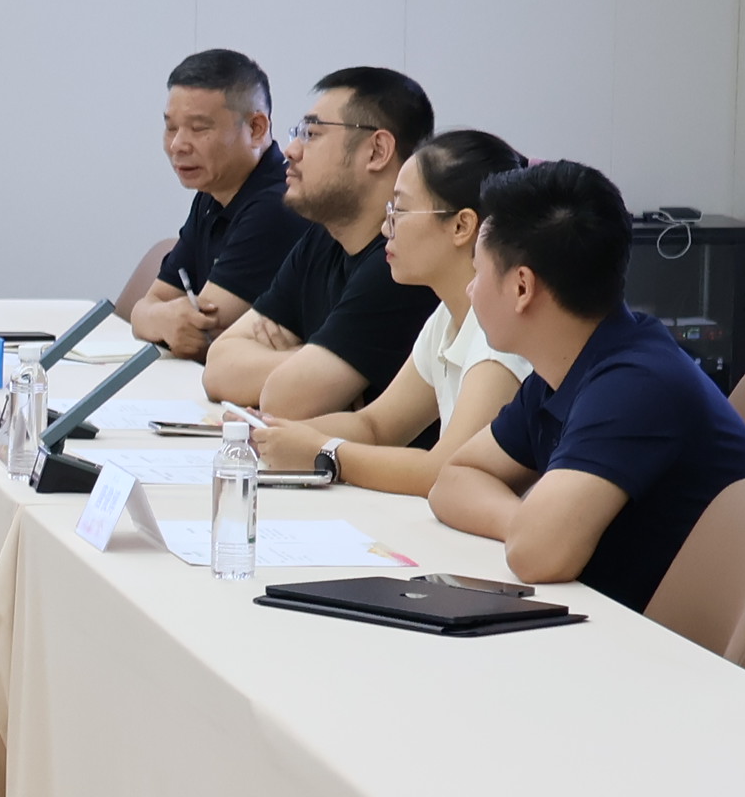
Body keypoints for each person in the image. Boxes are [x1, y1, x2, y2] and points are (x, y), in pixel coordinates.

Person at [429, 159, 745, 612]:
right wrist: (524, 520)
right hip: (629, 621)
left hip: (688, 647)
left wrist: (534, 528)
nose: (471, 290)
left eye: (478, 273)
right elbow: (452, 481)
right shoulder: (562, 370)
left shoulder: (637, 385)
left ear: (522, 287)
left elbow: (537, 554)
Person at [244, 131, 530, 496]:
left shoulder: (498, 334)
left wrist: (324, 452)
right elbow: (377, 425)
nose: (384, 228)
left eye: (399, 210)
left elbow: (446, 470)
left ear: (461, 226)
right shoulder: (447, 316)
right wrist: (272, 434)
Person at [199, 66, 441, 414]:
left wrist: (301, 365)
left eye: (311, 134)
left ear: (377, 151)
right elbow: (219, 367)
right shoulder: (322, 238)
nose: (291, 150)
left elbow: (290, 399)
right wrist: (308, 357)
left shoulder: (401, 266)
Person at [128, 48, 292, 358]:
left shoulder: (279, 204)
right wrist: (156, 317)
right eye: (171, 127)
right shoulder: (211, 194)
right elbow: (145, 308)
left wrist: (156, 318)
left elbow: (199, 334)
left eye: (199, 128)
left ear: (256, 128)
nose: (177, 145)